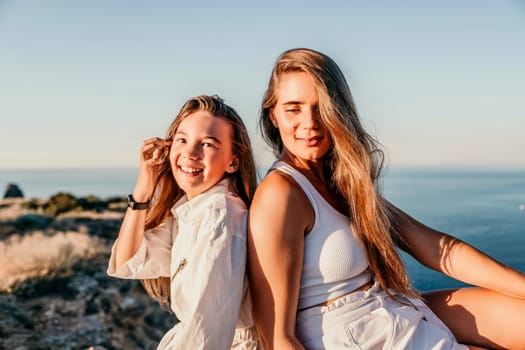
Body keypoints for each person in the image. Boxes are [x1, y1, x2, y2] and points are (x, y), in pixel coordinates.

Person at [247, 48, 525, 350]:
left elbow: (437, 249)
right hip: (357, 337)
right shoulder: (280, 194)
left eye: (322, 107)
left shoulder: (340, 183)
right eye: (293, 108)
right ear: (272, 114)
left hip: (391, 313)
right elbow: (277, 338)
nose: (310, 121)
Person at [107, 95, 261, 349]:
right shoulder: (192, 210)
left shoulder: (220, 214)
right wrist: (143, 191)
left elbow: (207, 325)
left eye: (208, 144)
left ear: (233, 161)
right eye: (182, 140)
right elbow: (127, 261)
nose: (190, 153)